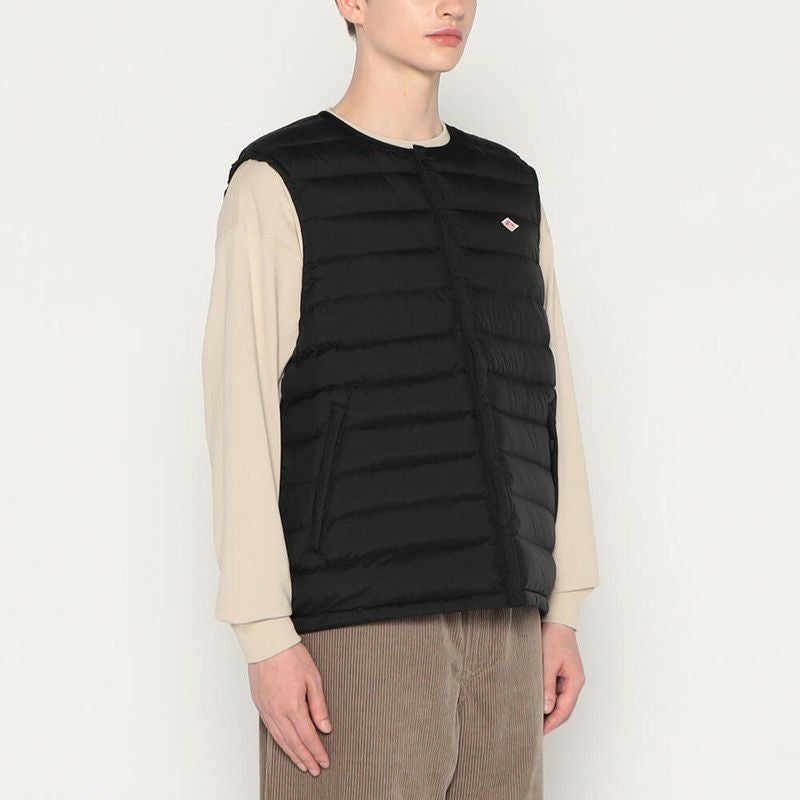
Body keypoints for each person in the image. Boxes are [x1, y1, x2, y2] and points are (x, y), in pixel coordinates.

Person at [201, 1, 599, 797]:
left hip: (507, 623)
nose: (451, 5)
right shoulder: (281, 181)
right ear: (351, 2)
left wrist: (564, 608)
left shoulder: (508, 186)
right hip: (358, 620)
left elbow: (548, 399)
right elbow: (240, 411)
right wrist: (264, 633)